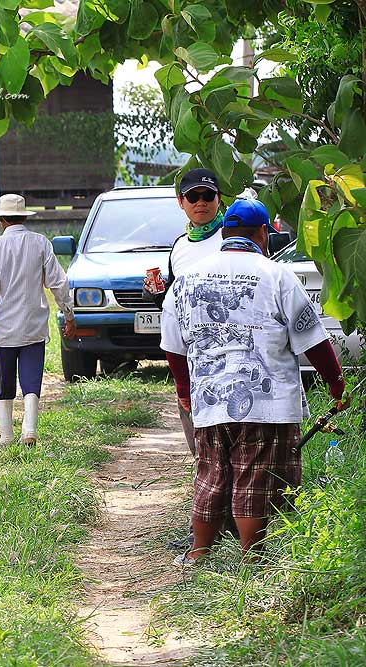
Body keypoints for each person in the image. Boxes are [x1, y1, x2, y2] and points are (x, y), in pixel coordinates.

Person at [160, 198, 347, 565]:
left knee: (211, 475)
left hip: (210, 400)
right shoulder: (277, 275)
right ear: (264, 233)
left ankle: (198, 552)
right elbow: (314, 341)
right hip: (267, 401)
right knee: (255, 480)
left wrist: (185, 392)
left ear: (225, 233)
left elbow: (172, 346)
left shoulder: (187, 279)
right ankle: (251, 558)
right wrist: (337, 386)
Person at [0, 194, 76, 446]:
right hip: (34, 323)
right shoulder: (41, 243)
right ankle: (30, 430)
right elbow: (58, 282)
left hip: (5, 326)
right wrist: (68, 313)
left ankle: (6, 435)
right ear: (24, 217)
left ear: (1, 220)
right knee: (32, 378)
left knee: (5, 379)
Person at [145, 168, 226, 460]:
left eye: (208, 196)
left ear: (219, 199)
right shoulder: (179, 246)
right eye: (193, 196)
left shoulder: (231, 237)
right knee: (197, 434)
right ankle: (203, 472)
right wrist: (157, 297)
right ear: (181, 202)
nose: (200, 202)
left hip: (229, 351)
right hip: (190, 355)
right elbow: (174, 304)